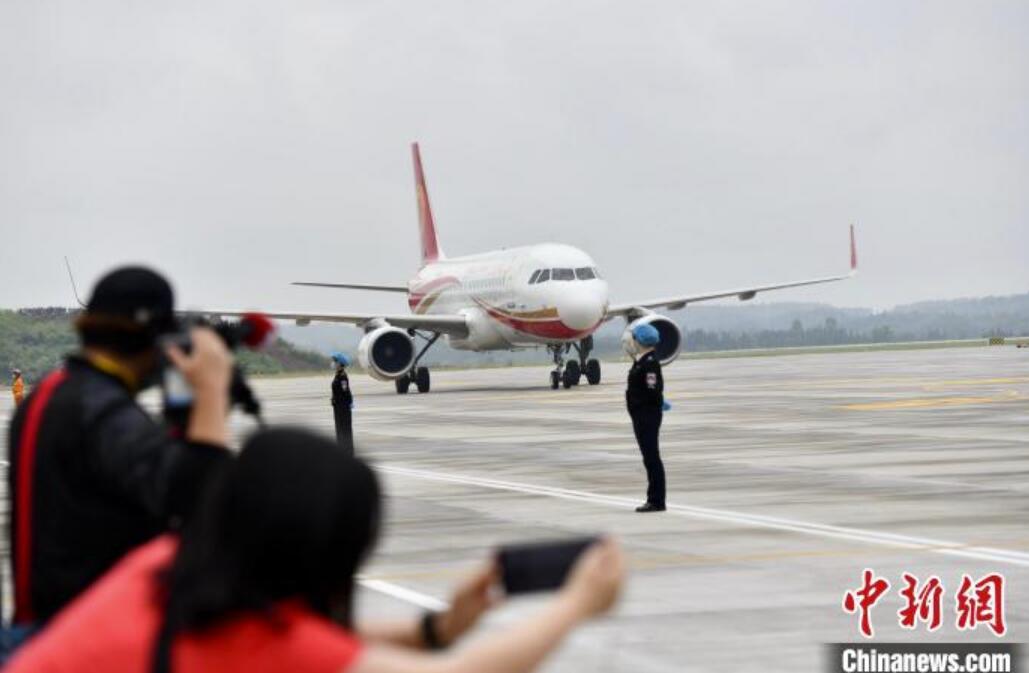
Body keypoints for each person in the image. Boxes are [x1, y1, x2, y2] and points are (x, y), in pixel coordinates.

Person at [4, 428, 626, 673]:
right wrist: (577, 604)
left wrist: (440, 625)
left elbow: (304, 641)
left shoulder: (170, 565)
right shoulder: (264, 644)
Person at [3, 266, 233, 652]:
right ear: (153, 340)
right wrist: (210, 392)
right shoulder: (101, 412)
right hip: (90, 639)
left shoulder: (51, 394)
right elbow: (193, 494)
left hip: (43, 627)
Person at [625, 323, 668, 513]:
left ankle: (656, 501)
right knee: (649, 457)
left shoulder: (649, 363)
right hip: (642, 414)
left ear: (639, 341)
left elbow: (652, 390)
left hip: (646, 416)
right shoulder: (642, 361)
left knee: (652, 457)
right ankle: (654, 499)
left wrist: (651, 407)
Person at [331, 351, 354, 454]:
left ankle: (348, 451)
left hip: (343, 407)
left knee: (344, 429)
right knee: (339, 429)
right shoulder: (337, 375)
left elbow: (345, 391)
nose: (333, 363)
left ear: (340, 364)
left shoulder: (343, 377)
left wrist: (349, 402)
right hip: (338, 407)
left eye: (335, 361)